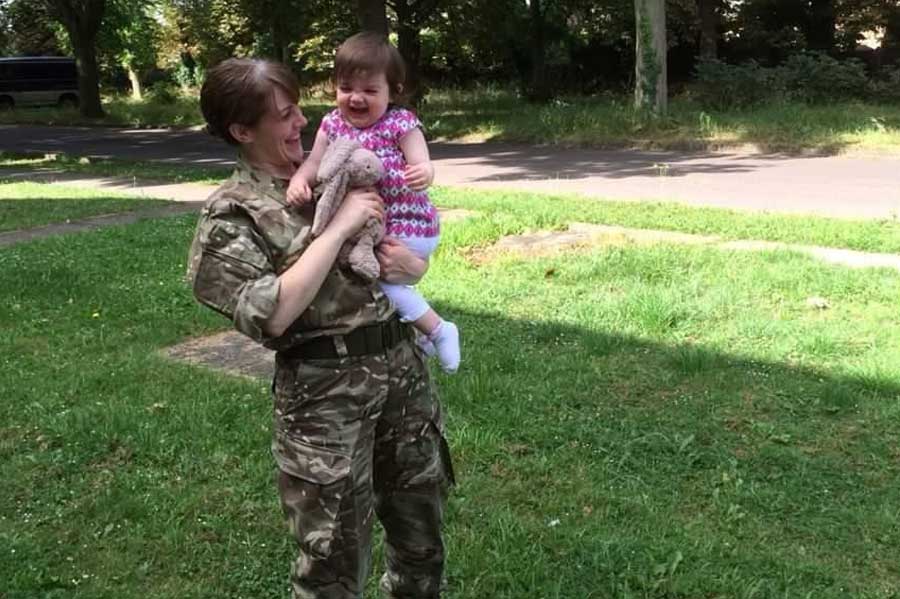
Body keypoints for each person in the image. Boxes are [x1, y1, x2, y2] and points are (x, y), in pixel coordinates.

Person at [187, 57, 454, 599]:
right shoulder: (234, 213)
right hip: (324, 402)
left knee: (421, 537)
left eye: (299, 111)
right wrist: (341, 228)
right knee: (332, 562)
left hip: (402, 375)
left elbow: (396, 252)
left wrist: (415, 266)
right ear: (243, 130)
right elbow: (270, 313)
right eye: (285, 116)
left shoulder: (337, 167)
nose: (302, 124)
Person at [286, 32, 460, 374]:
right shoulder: (332, 124)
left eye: (369, 90)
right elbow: (313, 162)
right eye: (346, 87)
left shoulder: (400, 122)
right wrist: (298, 180)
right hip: (371, 225)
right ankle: (421, 337)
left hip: (407, 226)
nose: (356, 98)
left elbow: (422, 161)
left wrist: (424, 172)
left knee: (379, 281)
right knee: (368, 282)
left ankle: (439, 330)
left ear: (393, 91)